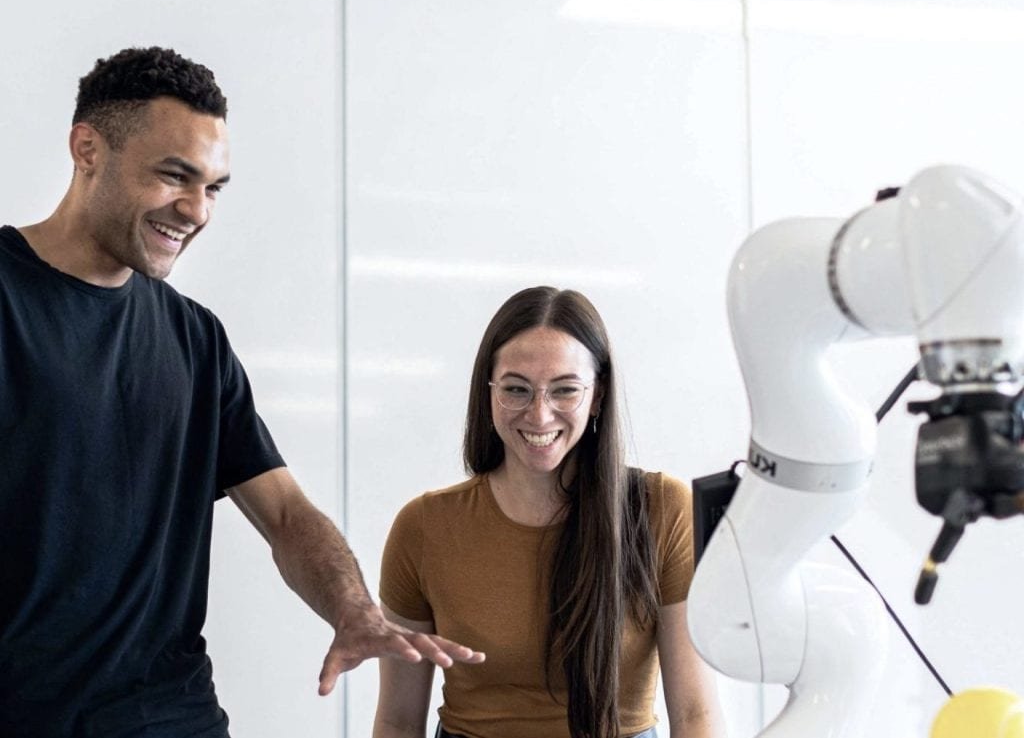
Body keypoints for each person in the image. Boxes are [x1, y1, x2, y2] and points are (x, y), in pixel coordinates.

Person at [0, 46, 482, 738]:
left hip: (174, 717)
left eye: (215, 187)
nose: (196, 210)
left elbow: (285, 513)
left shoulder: (195, 340)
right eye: (174, 176)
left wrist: (352, 609)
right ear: (87, 150)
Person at [373, 286, 727, 738]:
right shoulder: (423, 528)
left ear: (597, 396)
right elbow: (397, 722)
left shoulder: (662, 509)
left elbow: (696, 715)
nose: (539, 415)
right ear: (489, 394)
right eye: (517, 389)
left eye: (565, 390)